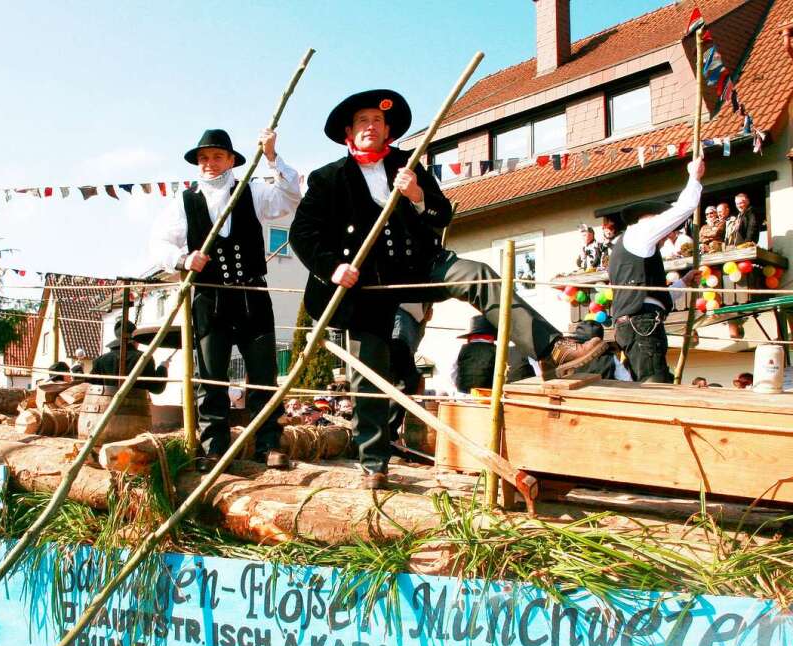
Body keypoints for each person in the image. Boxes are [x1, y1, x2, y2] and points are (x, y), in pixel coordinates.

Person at [290, 88, 607, 488]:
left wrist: (417, 195)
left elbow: (443, 212)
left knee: (480, 274)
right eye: (362, 122)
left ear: (388, 129)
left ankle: (553, 348)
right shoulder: (327, 178)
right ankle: (374, 463)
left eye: (377, 121)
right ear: (349, 132)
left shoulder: (407, 165)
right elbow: (303, 234)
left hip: (418, 266)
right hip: (363, 283)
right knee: (368, 372)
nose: (370, 127)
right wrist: (332, 267)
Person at [149, 127, 301, 471]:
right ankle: (214, 449)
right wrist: (184, 260)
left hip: (251, 294)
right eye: (203, 158)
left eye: (217, 156)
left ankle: (267, 445)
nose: (210, 164)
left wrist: (273, 156)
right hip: (209, 299)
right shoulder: (183, 202)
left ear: (232, 160)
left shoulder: (253, 190)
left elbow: (290, 196)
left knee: (263, 374)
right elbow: (158, 242)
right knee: (211, 377)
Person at [609, 157, 706, 383]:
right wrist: (694, 178)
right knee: (654, 385)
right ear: (652, 221)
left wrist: (684, 282)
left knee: (646, 384)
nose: (669, 235)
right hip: (642, 325)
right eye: (667, 229)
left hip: (639, 324)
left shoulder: (638, 252)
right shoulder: (640, 233)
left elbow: (653, 297)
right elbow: (685, 208)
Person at [91, 319, 168, 394]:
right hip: (136, 406)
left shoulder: (100, 360)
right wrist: (162, 368)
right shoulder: (144, 358)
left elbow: (92, 384)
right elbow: (157, 388)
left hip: (105, 404)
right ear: (134, 341)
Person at [388, 302, 429, 440]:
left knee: (407, 380)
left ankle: (388, 433)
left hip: (410, 322)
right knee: (406, 380)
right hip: (401, 318)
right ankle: (387, 433)